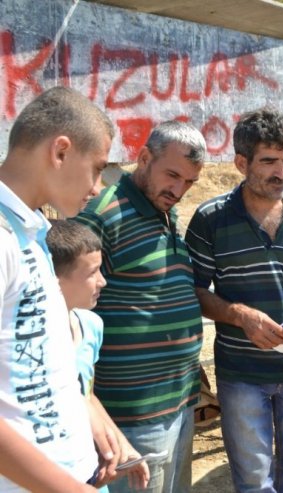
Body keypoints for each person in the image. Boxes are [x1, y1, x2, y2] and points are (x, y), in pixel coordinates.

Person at [185, 108, 283, 493]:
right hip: (241, 373)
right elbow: (195, 290)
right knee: (254, 479)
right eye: (269, 161)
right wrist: (238, 315)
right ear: (241, 162)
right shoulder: (211, 218)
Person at [74, 120, 207, 493]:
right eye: (172, 175)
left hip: (178, 402)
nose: (179, 190)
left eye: (190, 183)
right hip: (132, 414)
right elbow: (71, 314)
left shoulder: (165, 211)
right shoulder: (103, 217)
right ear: (144, 157)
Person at [0, 86, 112, 492]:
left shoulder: (32, 232)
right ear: (61, 151)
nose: (98, 187)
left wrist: (87, 415)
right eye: (98, 168)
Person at [47, 219, 150, 492]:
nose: (103, 281)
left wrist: (122, 445)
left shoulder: (91, 325)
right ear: (54, 279)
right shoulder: (31, 344)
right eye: (92, 272)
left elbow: (87, 393)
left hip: (89, 473)